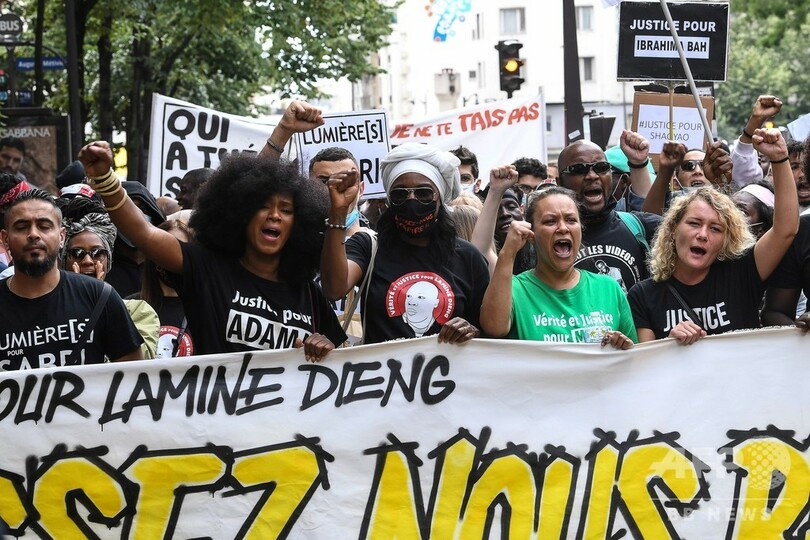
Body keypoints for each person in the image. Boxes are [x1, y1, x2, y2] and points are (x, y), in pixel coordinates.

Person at [79, 141, 345, 361]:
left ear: (299, 223)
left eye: (286, 210)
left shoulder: (308, 293)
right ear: (241, 214)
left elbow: (341, 364)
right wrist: (105, 178)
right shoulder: (208, 268)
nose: (274, 215)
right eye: (263, 206)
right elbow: (144, 233)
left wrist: (323, 349)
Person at [628, 128, 798, 344]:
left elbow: (786, 229)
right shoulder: (643, 296)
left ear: (727, 239)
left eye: (715, 229)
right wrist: (669, 344)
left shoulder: (743, 272)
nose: (702, 235)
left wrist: (780, 158)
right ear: (672, 229)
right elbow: (647, 361)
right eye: (694, 223)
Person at [320, 142, 490, 344]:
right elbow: (334, 289)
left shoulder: (468, 257)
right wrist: (338, 213)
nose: (411, 200)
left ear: (439, 198)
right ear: (390, 201)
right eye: (400, 194)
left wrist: (471, 331)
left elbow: (489, 329)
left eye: (423, 193)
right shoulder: (369, 247)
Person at [0, 189, 143, 370]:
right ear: (5, 239)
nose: (34, 234)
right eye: (21, 227)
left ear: (61, 236)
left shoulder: (100, 297)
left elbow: (135, 377)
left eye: (44, 226)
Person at [480, 186, 635, 348]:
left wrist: (621, 344)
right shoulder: (514, 289)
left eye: (571, 220)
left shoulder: (609, 288)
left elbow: (633, 355)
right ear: (531, 234)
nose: (563, 228)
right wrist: (508, 252)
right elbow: (493, 328)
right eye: (550, 221)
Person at [557, 135, 661, 292]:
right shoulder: (544, 238)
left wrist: (647, 166)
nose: (592, 176)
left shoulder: (638, 227)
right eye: (579, 169)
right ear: (559, 183)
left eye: (601, 167)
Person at [59, 197, 159, 359]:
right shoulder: (51, 310)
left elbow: (138, 364)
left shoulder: (138, 311)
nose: (87, 261)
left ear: (108, 260)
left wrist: (99, 302)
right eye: (77, 253)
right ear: (64, 260)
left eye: (97, 253)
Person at [133, 219, 195, 357]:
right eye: (167, 249)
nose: (173, 257)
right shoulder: (133, 307)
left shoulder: (205, 308)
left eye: (181, 250)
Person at [731, 95, 782, 187]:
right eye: (759, 160)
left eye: (795, 166)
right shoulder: (758, 190)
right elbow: (743, 171)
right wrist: (756, 119)